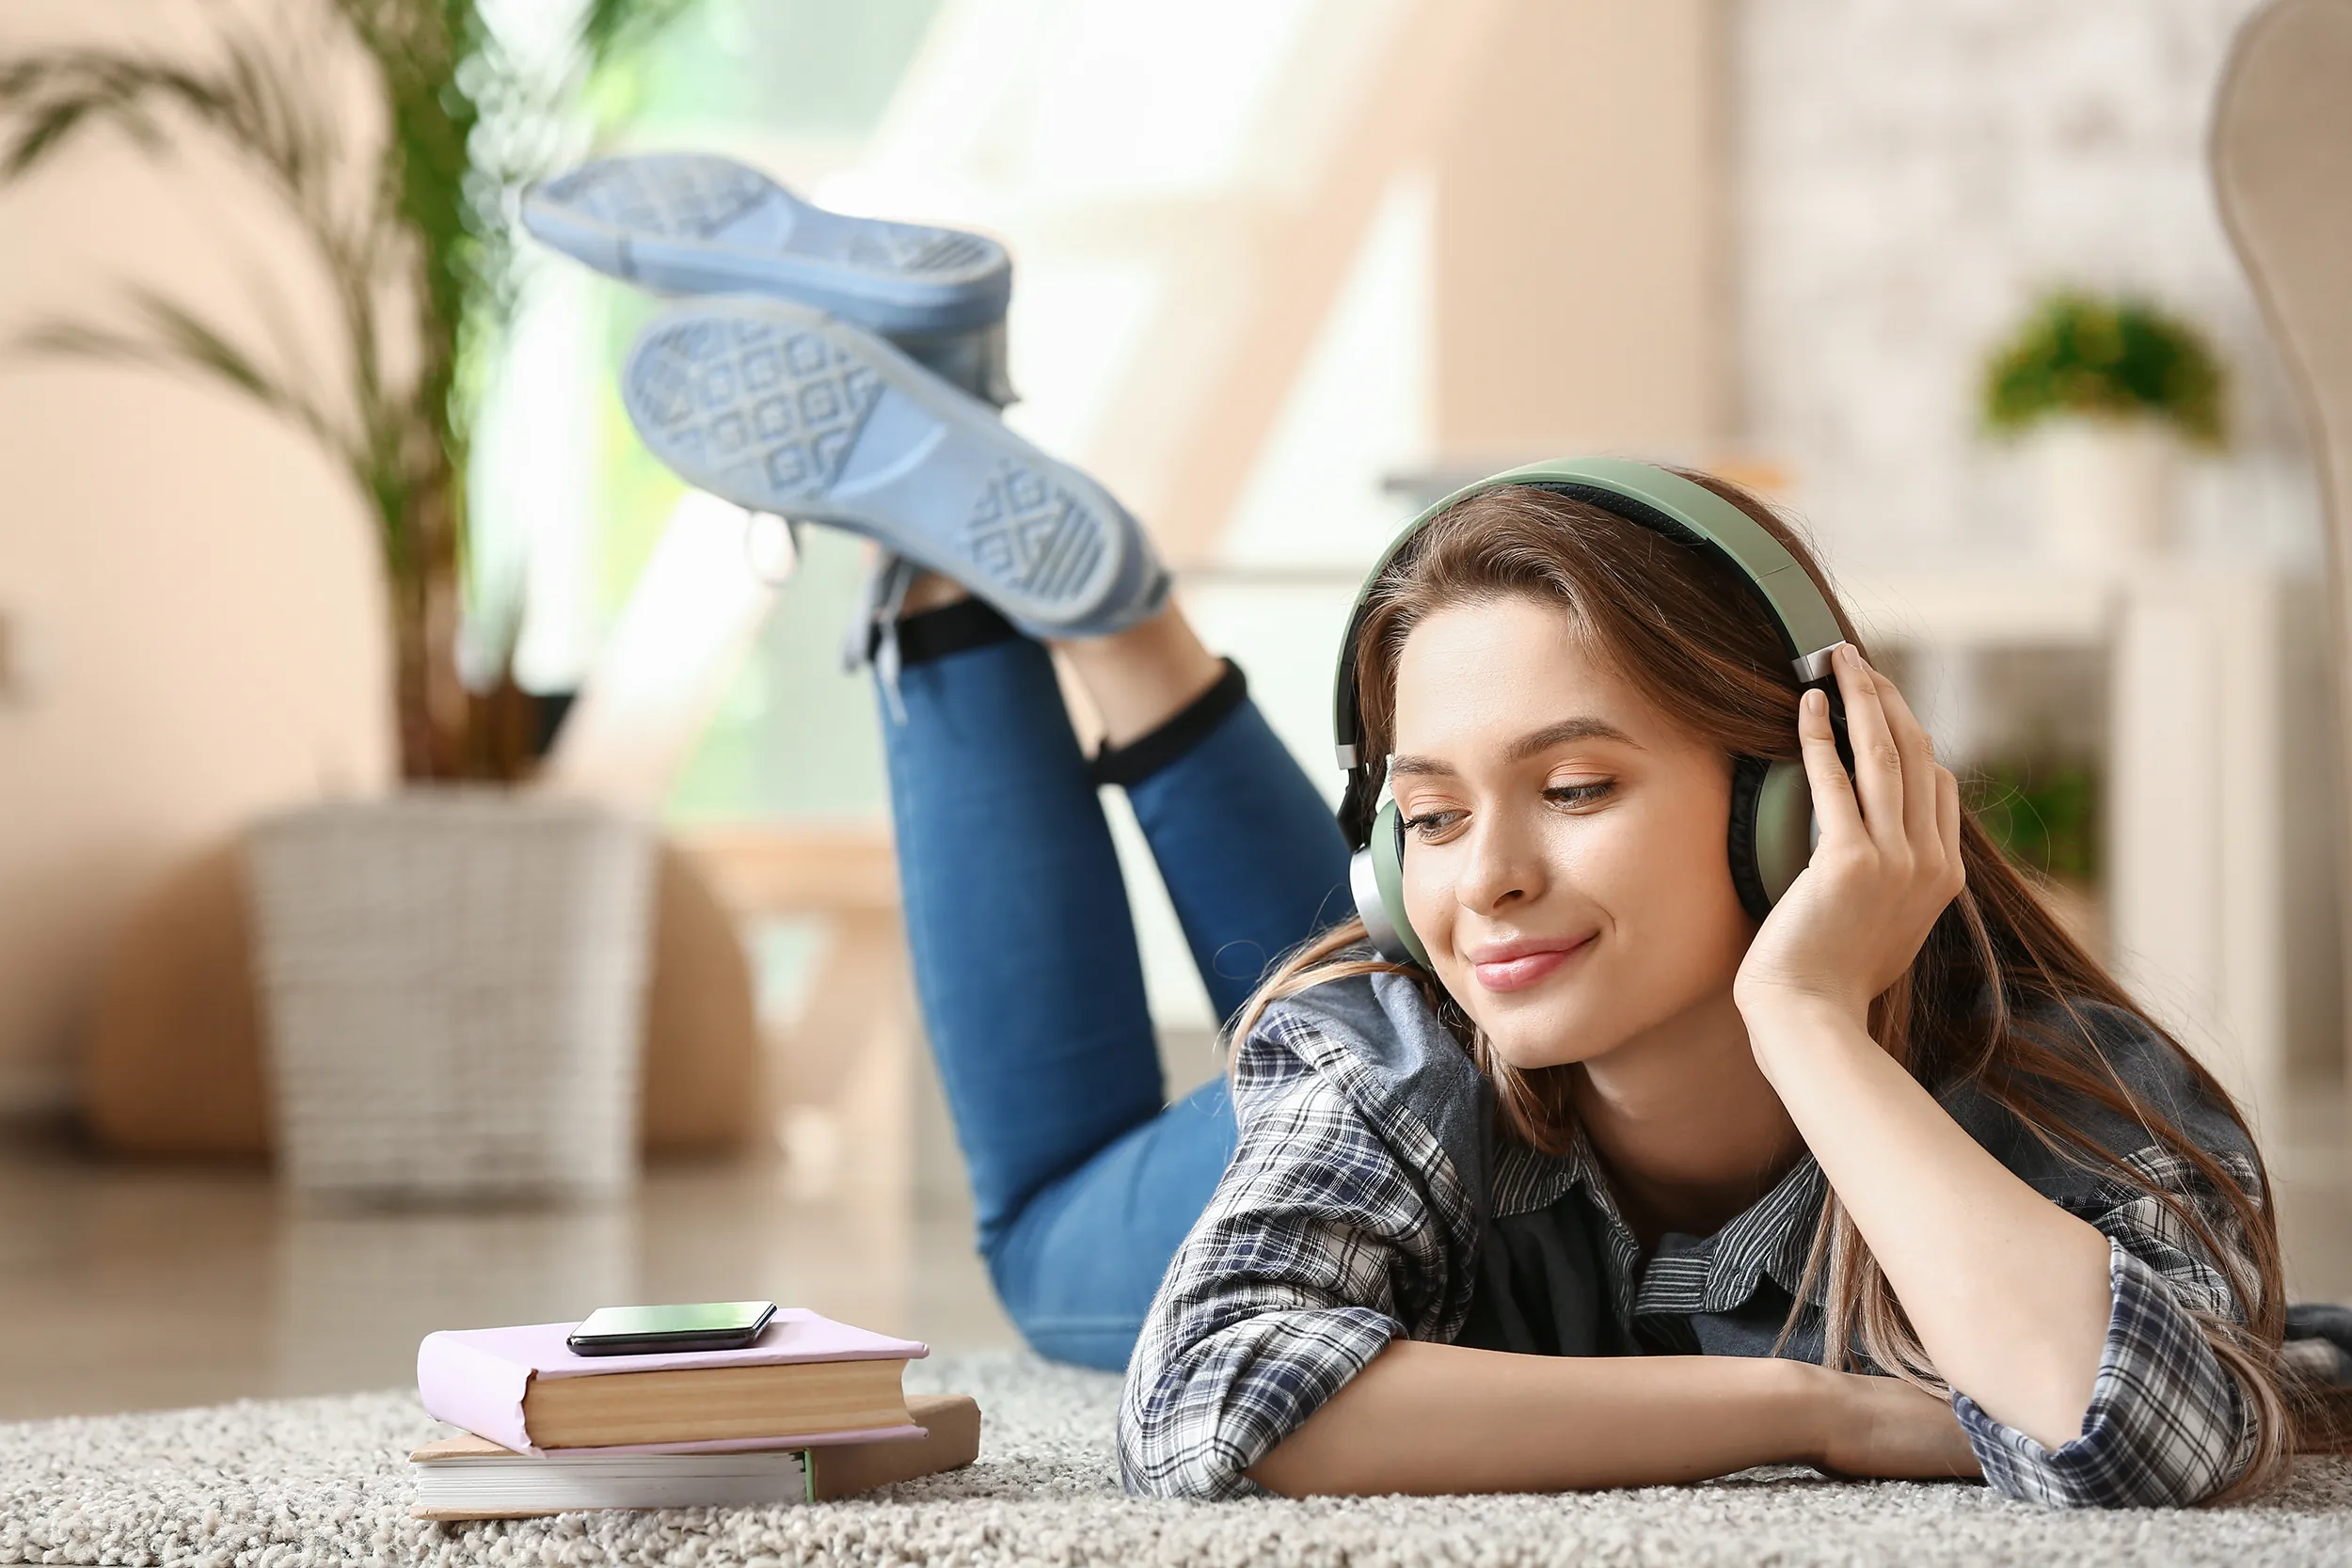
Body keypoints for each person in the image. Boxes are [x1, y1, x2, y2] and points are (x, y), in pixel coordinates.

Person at [527, 155, 2348, 1509]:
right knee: (1085, 1208)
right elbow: (1210, 1396)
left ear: (1799, 789)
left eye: (1576, 784)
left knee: (1372, 1000)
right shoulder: (1398, 1040)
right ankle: (940, 559)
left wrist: (1806, 1021)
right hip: (1413, 1058)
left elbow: (2146, 1432)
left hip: (1579, 1030)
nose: (1477, 869)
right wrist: (1812, 1408)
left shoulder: (2060, 1095)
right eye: (1419, 810)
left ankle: (1091, 601)